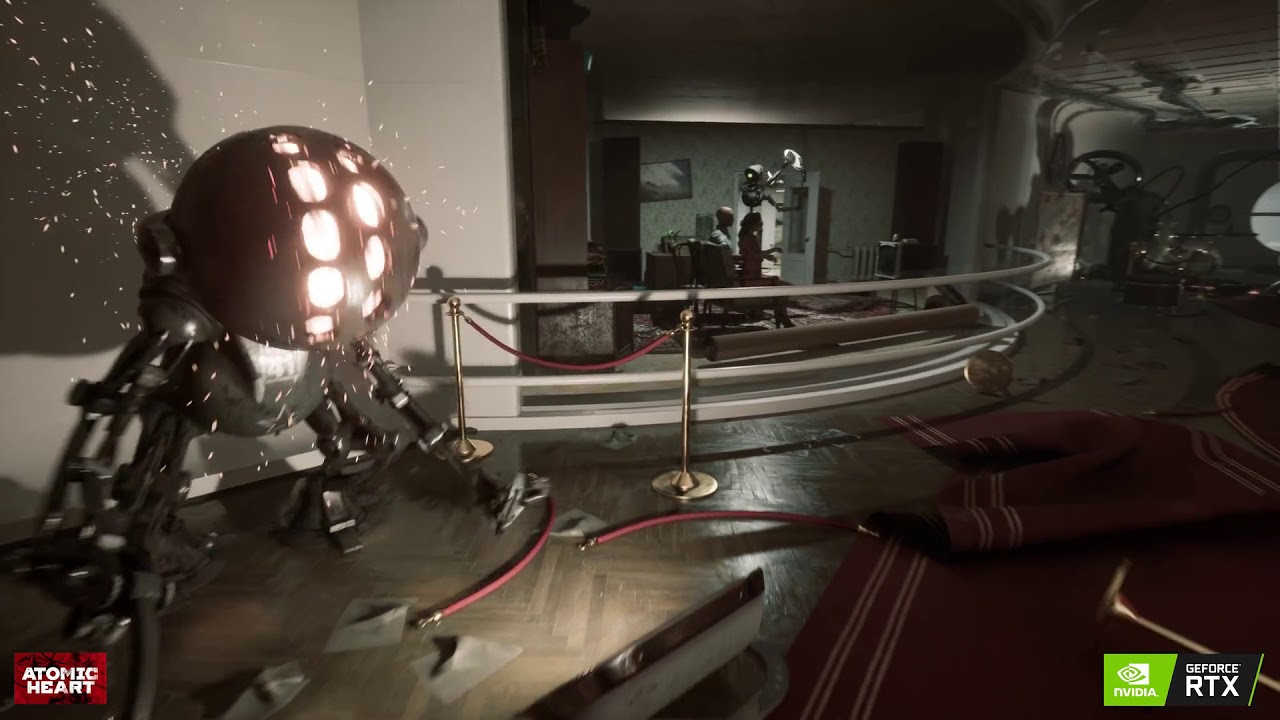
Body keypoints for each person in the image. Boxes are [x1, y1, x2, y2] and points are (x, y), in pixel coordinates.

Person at [737, 211, 779, 280]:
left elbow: (754, 253)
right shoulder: (748, 238)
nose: (761, 223)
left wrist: (766, 256)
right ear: (753, 224)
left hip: (754, 272)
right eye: (760, 221)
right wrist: (774, 249)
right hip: (750, 273)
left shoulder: (750, 237)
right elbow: (755, 255)